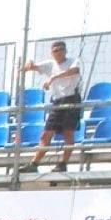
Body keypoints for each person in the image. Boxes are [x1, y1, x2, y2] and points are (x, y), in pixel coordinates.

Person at [22, 41, 82, 174]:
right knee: (46, 133)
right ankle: (34, 163)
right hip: (57, 101)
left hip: (71, 98)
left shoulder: (73, 61)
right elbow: (34, 67)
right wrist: (29, 64)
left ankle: (63, 163)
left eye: (61, 49)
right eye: (55, 50)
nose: (58, 52)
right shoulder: (50, 64)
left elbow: (74, 71)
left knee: (68, 132)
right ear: (52, 53)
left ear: (65, 51)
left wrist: (53, 77)